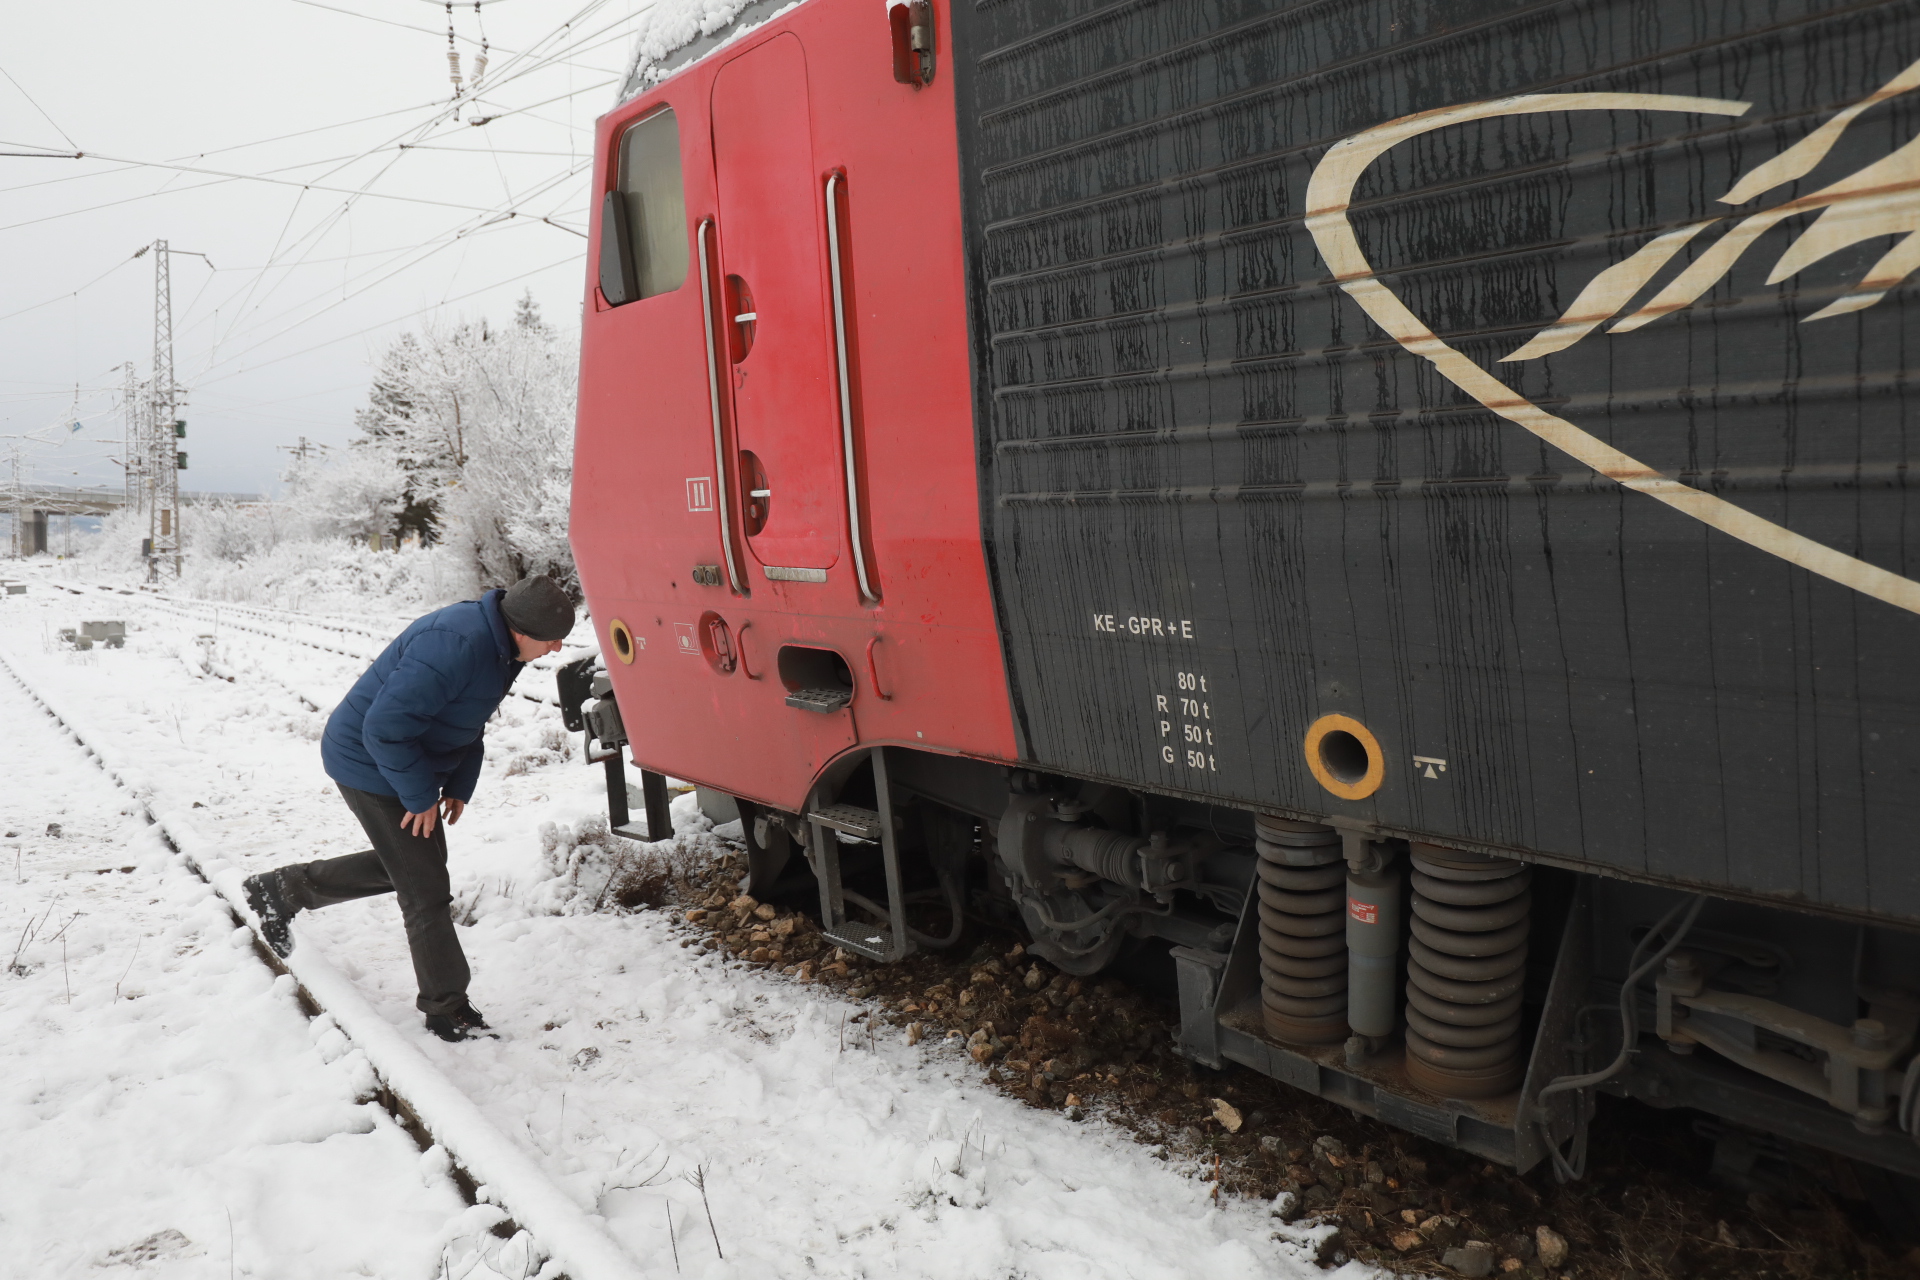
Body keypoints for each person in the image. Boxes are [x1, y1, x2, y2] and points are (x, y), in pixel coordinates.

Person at [242, 574, 574, 1041]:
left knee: (415, 867)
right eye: (552, 639)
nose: (557, 648)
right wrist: (419, 797)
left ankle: (283, 889)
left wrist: (458, 782)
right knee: (425, 889)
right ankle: (446, 1007)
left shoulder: (500, 647)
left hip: (402, 759)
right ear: (522, 628)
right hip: (368, 761)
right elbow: (383, 728)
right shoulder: (456, 644)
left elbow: (467, 716)